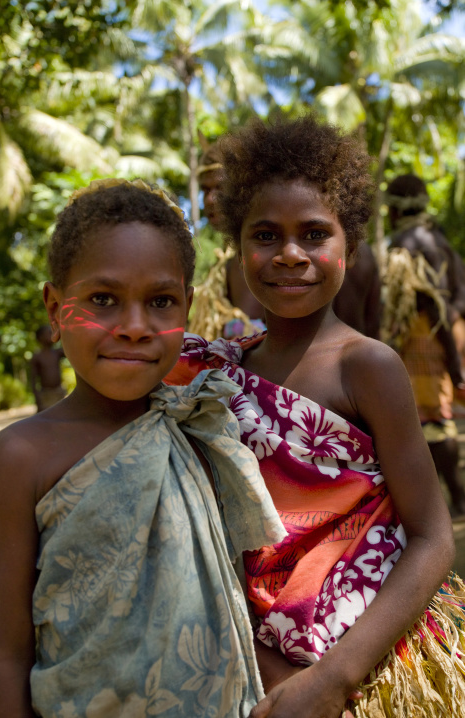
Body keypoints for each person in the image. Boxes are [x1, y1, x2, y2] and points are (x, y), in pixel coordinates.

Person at [166, 116, 465, 718]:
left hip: (364, 659)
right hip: (251, 656)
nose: (291, 255)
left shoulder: (367, 367)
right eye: (267, 235)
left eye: (314, 234)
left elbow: (433, 538)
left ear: (349, 249)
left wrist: (334, 678)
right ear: (239, 245)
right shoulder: (221, 373)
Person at [0, 178, 286, 718]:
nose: (136, 327)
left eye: (161, 302)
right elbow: (4, 657)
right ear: (55, 307)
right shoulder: (19, 456)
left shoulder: (205, 427)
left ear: (187, 308)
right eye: (103, 300)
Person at [382, 174, 465, 517]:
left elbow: (432, 303)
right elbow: (459, 293)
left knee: (431, 422)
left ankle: (454, 499)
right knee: (436, 419)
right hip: (451, 333)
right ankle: (455, 498)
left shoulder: (405, 243)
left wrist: (450, 358)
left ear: (397, 211)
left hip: (425, 339)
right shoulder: (439, 239)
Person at [191, 133, 266, 340]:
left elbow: (247, 336)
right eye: (206, 190)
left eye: (220, 188)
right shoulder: (233, 256)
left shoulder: (247, 257)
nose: (210, 199)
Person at [333, 242, 381, 338]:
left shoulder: (315, 251)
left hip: (319, 346)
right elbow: (373, 318)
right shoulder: (366, 253)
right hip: (360, 341)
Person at [30, 325, 66, 412]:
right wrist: (38, 400)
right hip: (46, 395)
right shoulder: (37, 357)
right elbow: (33, 380)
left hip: (59, 392)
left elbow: (72, 347)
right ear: (41, 337)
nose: (52, 335)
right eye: (49, 333)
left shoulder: (57, 353)